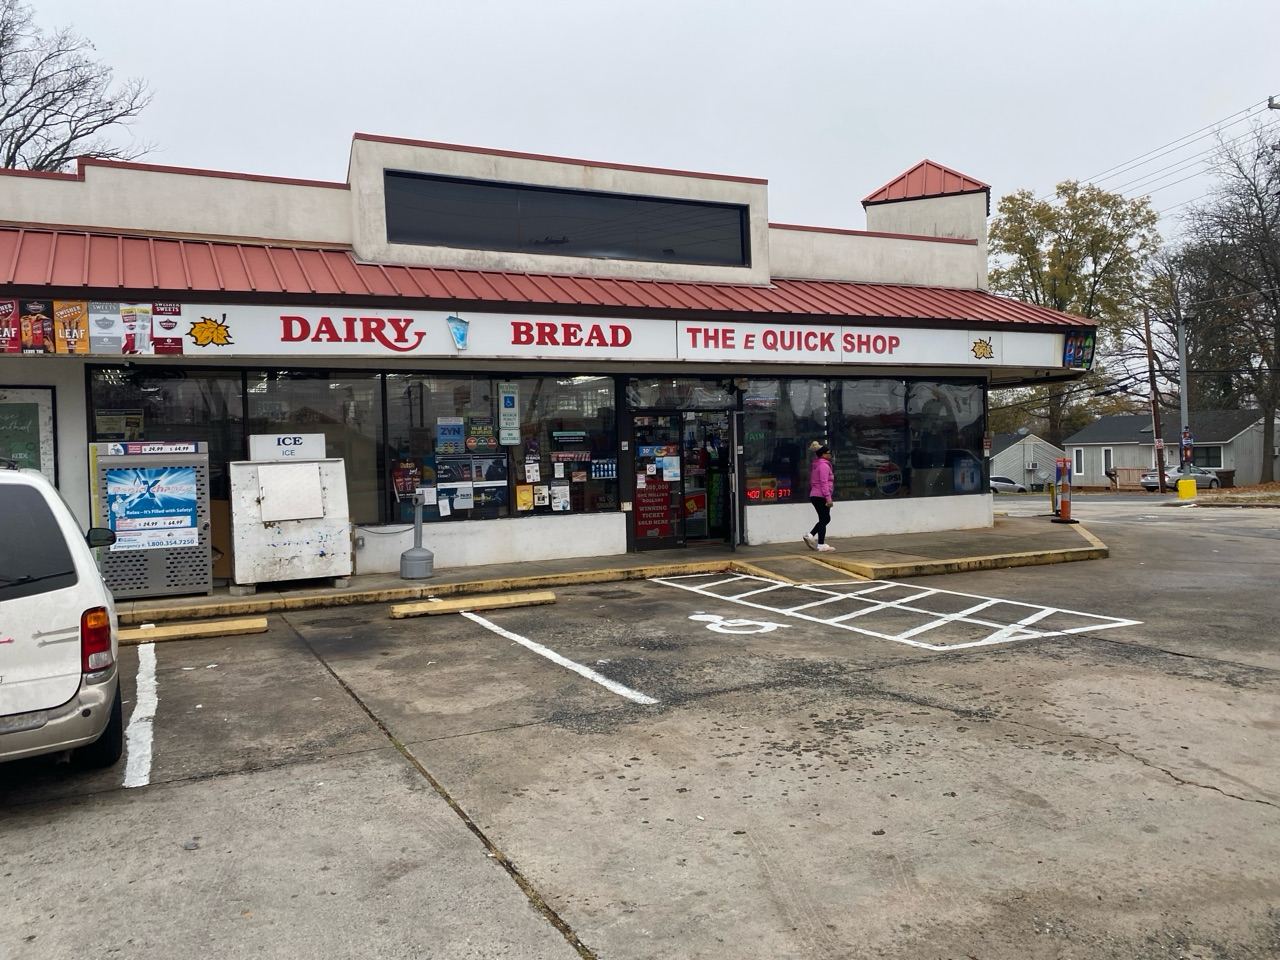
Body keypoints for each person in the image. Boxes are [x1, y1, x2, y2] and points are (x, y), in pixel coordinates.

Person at [803, 440, 836, 552]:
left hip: (816, 495)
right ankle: (819, 543)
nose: (830, 455)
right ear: (823, 454)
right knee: (825, 518)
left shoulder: (818, 464)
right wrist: (828, 498)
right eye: (829, 453)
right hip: (821, 496)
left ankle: (812, 536)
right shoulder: (823, 466)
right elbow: (824, 483)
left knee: (824, 519)